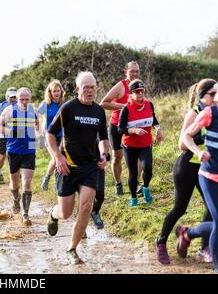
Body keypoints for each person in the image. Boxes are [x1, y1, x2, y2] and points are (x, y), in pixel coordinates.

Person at [46, 71, 109, 264]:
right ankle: (53, 215)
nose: (89, 90)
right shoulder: (68, 108)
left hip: (89, 166)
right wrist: (57, 157)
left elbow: (103, 138)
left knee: (86, 206)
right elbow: (50, 135)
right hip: (67, 167)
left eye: (92, 87)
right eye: (85, 87)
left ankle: (72, 249)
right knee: (65, 212)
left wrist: (104, 154)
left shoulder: (99, 111)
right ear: (77, 89)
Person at [155, 79, 215, 264]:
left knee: (211, 209)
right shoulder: (195, 113)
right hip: (188, 166)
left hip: (206, 169)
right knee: (180, 208)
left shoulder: (215, 113)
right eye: (212, 94)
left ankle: (203, 248)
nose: (215, 98)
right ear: (202, 95)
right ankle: (161, 242)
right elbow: (182, 143)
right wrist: (204, 137)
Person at [182, 80, 218, 273]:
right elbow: (186, 137)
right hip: (209, 176)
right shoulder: (209, 113)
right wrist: (198, 151)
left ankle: (188, 233)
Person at [0, 87, 40, 226]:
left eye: (27, 99)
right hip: (13, 150)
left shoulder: (34, 110)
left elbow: (39, 126)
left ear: (30, 99)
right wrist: (11, 131)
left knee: (26, 182)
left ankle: (25, 214)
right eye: (22, 99)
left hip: (29, 150)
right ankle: (16, 199)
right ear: (17, 99)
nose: (25, 102)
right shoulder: (9, 110)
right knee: (14, 184)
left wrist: (38, 134)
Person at [118, 80, 163, 207]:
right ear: (131, 93)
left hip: (145, 144)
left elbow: (153, 118)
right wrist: (133, 130)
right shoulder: (126, 109)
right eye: (137, 91)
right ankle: (133, 199)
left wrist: (158, 129)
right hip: (130, 146)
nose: (140, 93)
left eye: (142, 91)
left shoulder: (149, 104)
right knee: (133, 173)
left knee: (148, 168)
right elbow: (120, 129)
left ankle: (146, 188)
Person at [100, 61, 141, 195]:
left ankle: (136, 183)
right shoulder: (121, 86)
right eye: (132, 71)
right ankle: (118, 183)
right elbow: (104, 103)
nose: (135, 74)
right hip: (117, 126)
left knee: (138, 157)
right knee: (118, 157)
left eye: (137, 71)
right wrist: (123, 107)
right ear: (126, 72)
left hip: (133, 127)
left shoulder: (139, 86)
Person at [39, 79, 65, 191]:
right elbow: (36, 115)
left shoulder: (63, 104)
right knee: (55, 159)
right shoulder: (46, 104)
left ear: (61, 91)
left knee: (61, 159)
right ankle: (47, 177)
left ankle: (57, 182)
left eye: (58, 91)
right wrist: (40, 128)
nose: (56, 93)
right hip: (50, 136)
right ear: (50, 92)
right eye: (54, 91)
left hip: (62, 136)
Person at [0, 87, 17, 184]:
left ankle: (15, 172)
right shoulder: (2, 106)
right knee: (2, 155)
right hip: (3, 134)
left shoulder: (20, 106)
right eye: (11, 97)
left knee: (14, 154)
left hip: (16, 134)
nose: (13, 99)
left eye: (14, 97)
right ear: (7, 97)